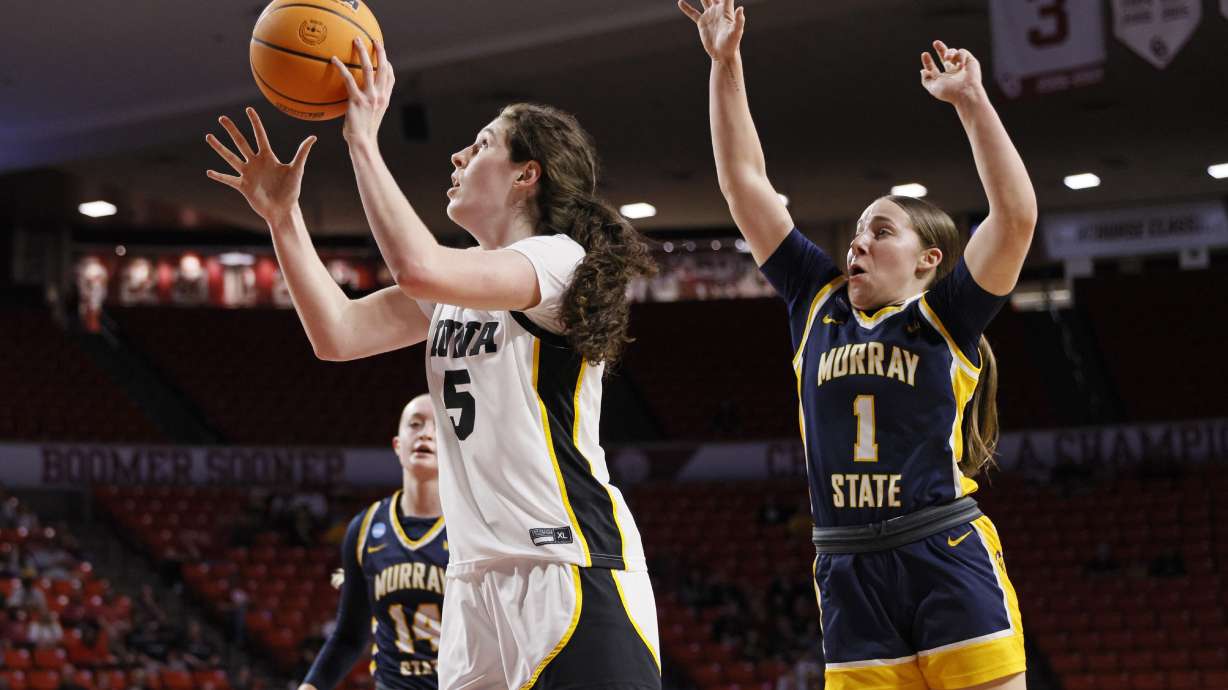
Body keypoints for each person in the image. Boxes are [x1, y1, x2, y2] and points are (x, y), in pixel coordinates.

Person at [205, 38, 660, 685]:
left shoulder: (558, 261)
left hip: (568, 567)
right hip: (473, 584)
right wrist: (284, 220)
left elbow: (417, 266)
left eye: (480, 146)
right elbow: (336, 333)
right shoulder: (454, 289)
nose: (457, 155)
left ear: (527, 174)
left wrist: (362, 140)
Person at [679, 1, 1036, 688]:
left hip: (943, 549)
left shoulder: (947, 318)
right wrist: (725, 64)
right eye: (856, 233)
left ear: (929, 259)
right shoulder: (817, 302)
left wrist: (971, 102)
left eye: (881, 231)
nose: (858, 242)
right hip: (846, 566)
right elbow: (743, 184)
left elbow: (1016, 217)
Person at [298, 395, 447, 690]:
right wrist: (310, 686)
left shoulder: (475, 527)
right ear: (397, 445)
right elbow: (349, 636)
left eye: (438, 426)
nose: (426, 433)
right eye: (415, 425)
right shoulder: (365, 527)